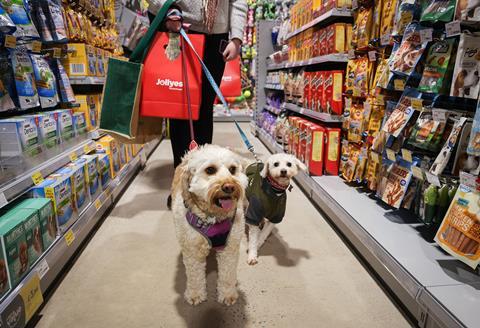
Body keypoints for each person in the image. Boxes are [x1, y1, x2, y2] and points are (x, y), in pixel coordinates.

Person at [147, 0, 247, 209]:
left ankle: (205, 185)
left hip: (216, 39)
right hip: (180, 30)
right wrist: (168, 11)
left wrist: (236, 38)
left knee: (203, 111)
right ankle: (181, 186)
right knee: (180, 110)